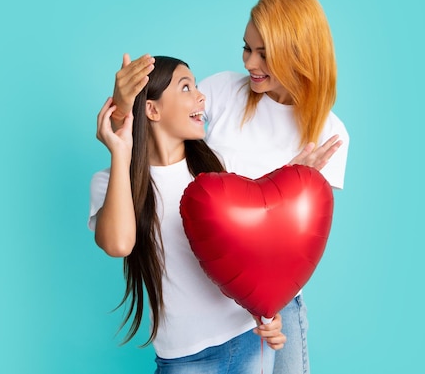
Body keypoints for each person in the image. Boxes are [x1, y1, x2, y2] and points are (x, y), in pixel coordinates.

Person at [108, 0, 349, 374]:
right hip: (214, 289)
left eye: (264, 53)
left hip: (275, 297)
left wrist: (294, 180)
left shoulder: (328, 134)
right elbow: (154, 135)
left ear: (298, 52)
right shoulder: (221, 91)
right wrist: (123, 103)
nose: (249, 62)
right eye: (246, 48)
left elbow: (297, 234)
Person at [89, 56, 287, 373]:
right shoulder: (112, 182)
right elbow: (119, 245)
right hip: (185, 359)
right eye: (186, 87)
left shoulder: (215, 169)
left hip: (249, 339)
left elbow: (246, 251)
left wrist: (265, 311)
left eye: (195, 86)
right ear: (152, 110)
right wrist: (120, 150)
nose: (200, 96)